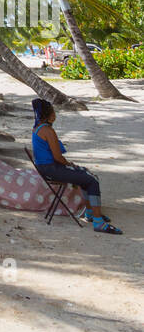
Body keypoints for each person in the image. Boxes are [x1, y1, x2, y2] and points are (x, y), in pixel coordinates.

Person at [31, 99, 122, 234]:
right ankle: (98, 222)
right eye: (54, 112)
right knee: (92, 180)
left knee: (86, 176)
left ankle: (91, 213)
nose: (55, 115)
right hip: (52, 169)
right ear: (50, 115)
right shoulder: (48, 131)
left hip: (45, 169)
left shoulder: (37, 128)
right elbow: (57, 157)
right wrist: (70, 165)